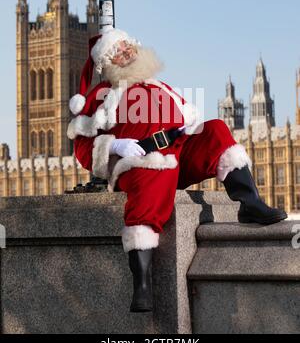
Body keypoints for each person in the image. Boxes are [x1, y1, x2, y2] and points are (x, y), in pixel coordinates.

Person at [67, 27, 287, 313]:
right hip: (140, 162)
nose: (128, 53)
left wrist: (189, 125)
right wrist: (116, 146)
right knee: (153, 177)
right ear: (107, 63)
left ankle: (249, 203)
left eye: (128, 47)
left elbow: (189, 117)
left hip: (178, 152)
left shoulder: (158, 87)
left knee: (217, 131)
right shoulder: (100, 98)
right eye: (119, 51)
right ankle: (142, 281)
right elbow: (83, 150)